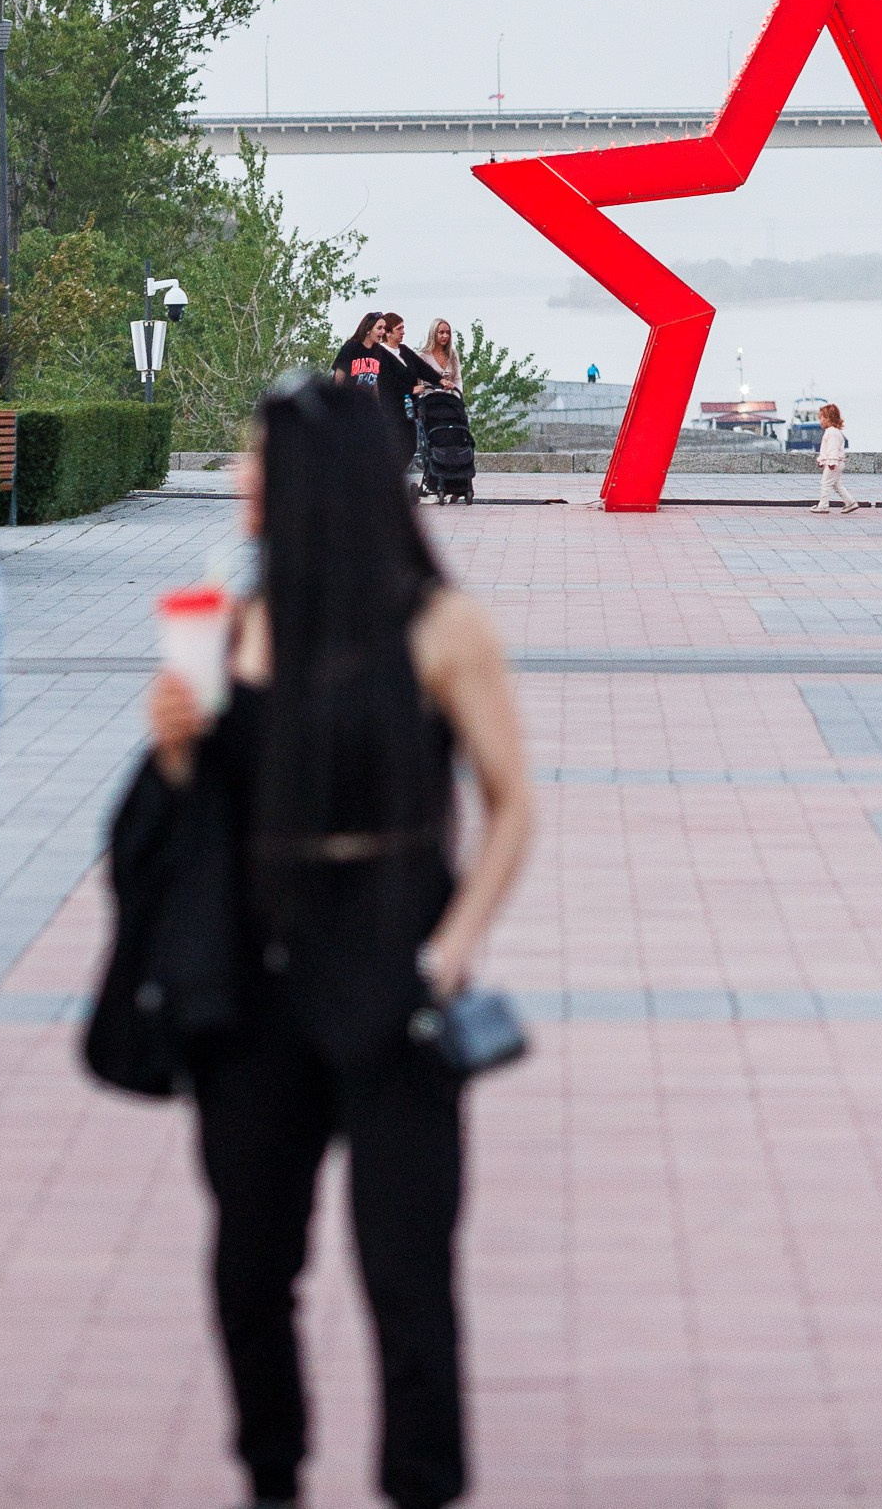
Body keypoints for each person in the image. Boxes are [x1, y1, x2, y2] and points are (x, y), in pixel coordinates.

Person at [145, 374, 535, 1509]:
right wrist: (175, 743)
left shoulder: (439, 621)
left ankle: (420, 1484)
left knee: (406, 1269)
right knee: (249, 1261)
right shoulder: (227, 608)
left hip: (395, 953)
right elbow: (197, 805)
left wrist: (451, 947)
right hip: (256, 958)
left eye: (257, 457)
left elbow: (510, 801)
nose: (239, 478)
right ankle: (273, 1475)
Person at [330, 312, 430, 466]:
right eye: (379, 328)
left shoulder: (377, 351)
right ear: (368, 329)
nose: (382, 332)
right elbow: (339, 376)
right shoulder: (352, 347)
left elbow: (374, 380)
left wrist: (377, 406)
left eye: (384, 328)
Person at [814, 402, 857, 514]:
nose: (820, 421)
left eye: (821, 418)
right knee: (837, 484)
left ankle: (823, 506)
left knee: (825, 483)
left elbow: (832, 449)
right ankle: (850, 502)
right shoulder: (834, 431)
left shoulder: (831, 432)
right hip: (838, 461)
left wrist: (831, 461)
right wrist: (823, 460)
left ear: (828, 418)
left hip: (834, 462)